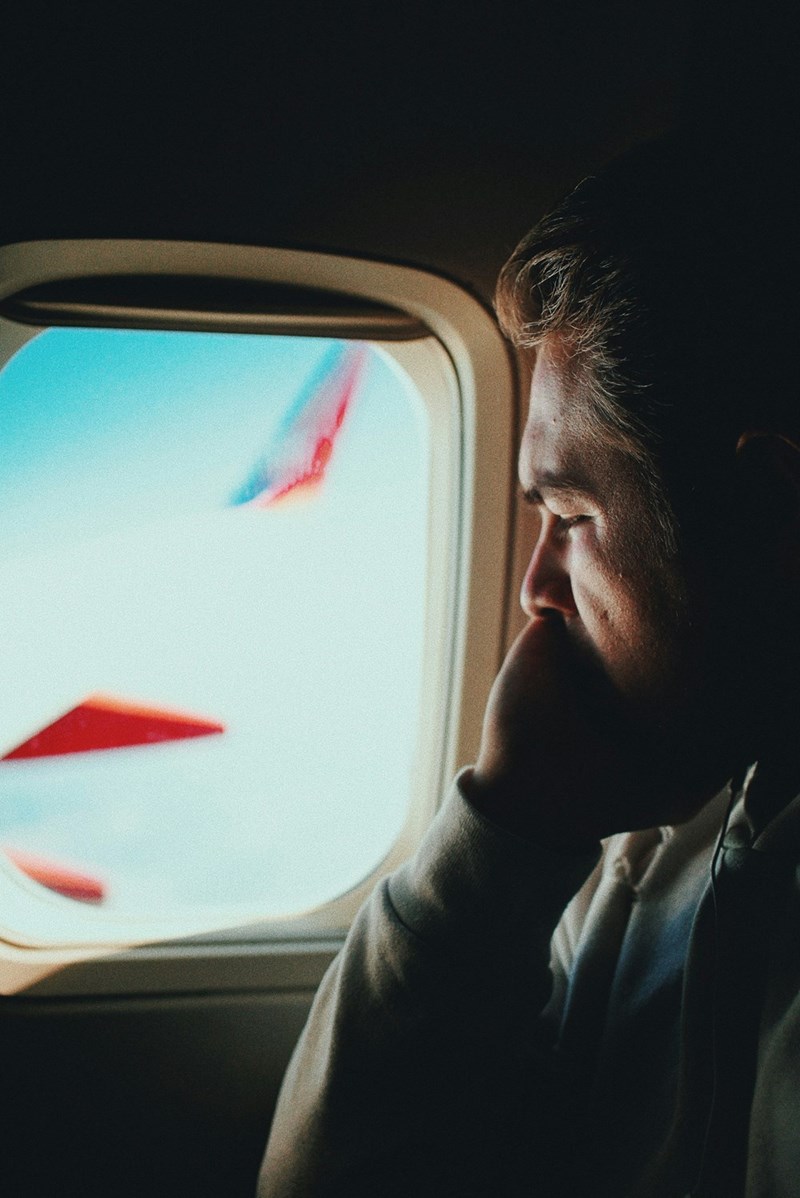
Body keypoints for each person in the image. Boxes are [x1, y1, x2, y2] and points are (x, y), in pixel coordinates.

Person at [258, 135, 800, 1197]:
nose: (534, 587)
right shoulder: (650, 850)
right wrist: (501, 833)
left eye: (569, 514)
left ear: (765, 510)